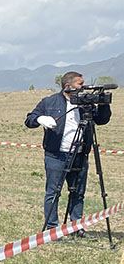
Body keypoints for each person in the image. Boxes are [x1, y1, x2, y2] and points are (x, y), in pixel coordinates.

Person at [26, 71, 112, 232]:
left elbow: (102, 120)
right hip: (56, 156)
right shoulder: (50, 102)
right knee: (53, 193)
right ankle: (52, 229)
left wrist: (103, 103)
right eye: (80, 84)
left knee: (78, 193)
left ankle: (76, 227)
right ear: (68, 86)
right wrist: (40, 119)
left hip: (80, 155)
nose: (84, 86)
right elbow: (29, 119)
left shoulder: (85, 103)